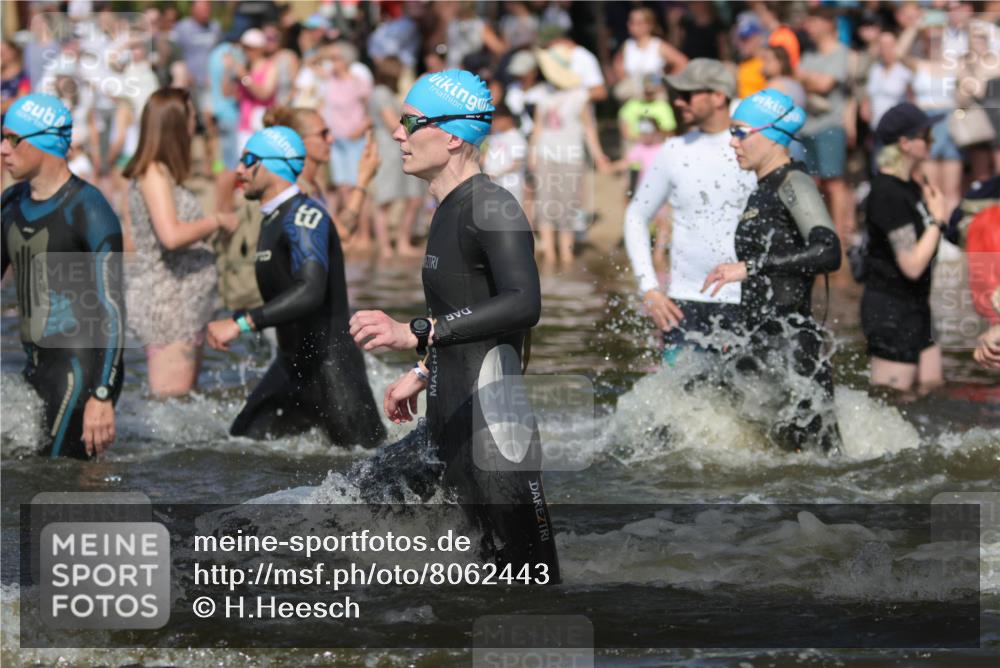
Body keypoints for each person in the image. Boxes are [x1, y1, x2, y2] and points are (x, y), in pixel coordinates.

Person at [348, 70, 559, 579]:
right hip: (445, 427)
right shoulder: (447, 208)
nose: (397, 133)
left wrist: (417, 331)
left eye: (409, 122)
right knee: (341, 508)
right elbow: (471, 308)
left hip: (494, 440)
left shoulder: (492, 206)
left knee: (528, 593)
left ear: (451, 136)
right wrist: (424, 371)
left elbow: (523, 304)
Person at [206, 126, 384, 448]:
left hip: (332, 369)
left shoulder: (303, 217)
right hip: (291, 366)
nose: (239, 170)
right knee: (235, 448)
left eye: (248, 160)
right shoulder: (272, 218)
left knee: (366, 463)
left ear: (275, 165)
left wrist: (241, 323)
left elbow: (310, 290)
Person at [703, 89, 842, 453]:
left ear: (772, 135)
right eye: (731, 132)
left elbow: (829, 250)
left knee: (817, 465)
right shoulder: (763, 190)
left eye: (740, 132)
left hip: (793, 351)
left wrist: (752, 267)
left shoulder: (793, 183)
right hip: (760, 345)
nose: (732, 142)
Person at [1, 93, 124, 459]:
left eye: (13, 139)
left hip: (82, 371)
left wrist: (102, 394)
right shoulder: (11, 202)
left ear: (46, 143)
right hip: (34, 365)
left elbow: (114, 308)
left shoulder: (89, 208)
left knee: (53, 476)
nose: (3, 148)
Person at [624, 59, 756, 362]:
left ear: (718, 96)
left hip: (743, 299)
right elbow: (636, 216)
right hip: (682, 304)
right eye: (677, 95)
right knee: (678, 391)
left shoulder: (753, 145)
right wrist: (650, 289)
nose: (678, 102)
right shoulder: (673, 150)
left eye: (688, 94)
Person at [122, 88, 237, 398]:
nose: (194, 126)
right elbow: (171, 236)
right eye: (191, 118)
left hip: (188, 302)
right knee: (171, 401)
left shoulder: (167, 175)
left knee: (186, 401)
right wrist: (217, 220)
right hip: (169, 305)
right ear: (175, 123)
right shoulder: (153, 172)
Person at [860, 103, 952, 397]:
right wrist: (938, 220)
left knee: (931, 393)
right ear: (905, 143)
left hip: (917, 306)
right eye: (926, 136)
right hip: (890, 312)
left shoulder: (911, 186)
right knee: (893, 403)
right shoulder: (887, 193)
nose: (932, 141)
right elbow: (911, 265)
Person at [531, 44, 610, 266]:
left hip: (571, 155)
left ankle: (566, 254)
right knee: (545, 203)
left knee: (568, 205)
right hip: (546, 154)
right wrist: (532, 154)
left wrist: (598, 155)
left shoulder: (580, 96)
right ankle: (550, 255)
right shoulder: (542, 94)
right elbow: (538, 127)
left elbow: (588, 128)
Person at [797, 8, 854, 245]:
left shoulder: (840, 52)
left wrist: (806, 79)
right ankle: (821, 237)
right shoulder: (809, 54)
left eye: (813, 21)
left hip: (830, 126)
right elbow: (798, 79)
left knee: (834, 183)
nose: (808, 27)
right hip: (807, 127)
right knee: (814, 185)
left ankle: (839, 241)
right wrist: (811, 80)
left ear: (828, 24)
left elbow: (825, 84)